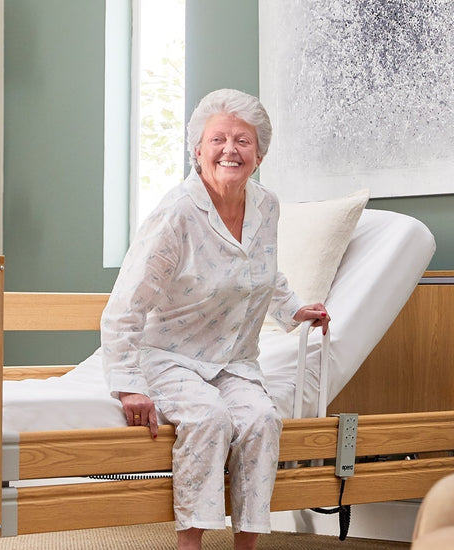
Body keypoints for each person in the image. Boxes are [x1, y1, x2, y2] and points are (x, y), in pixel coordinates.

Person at [100, 88, 330, 550]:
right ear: (198, 150)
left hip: (233, 360)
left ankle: (245, 545)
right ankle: (191, 545)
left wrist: (292, 309)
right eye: (218, 139)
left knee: (263, 418)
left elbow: (262, 268)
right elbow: (126, 303)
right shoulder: (177, 213)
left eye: (243, 141)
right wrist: (128, 383)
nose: (230, 150)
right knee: (208, 417)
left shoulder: (266, 206)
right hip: (170, 356)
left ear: (259, 154)